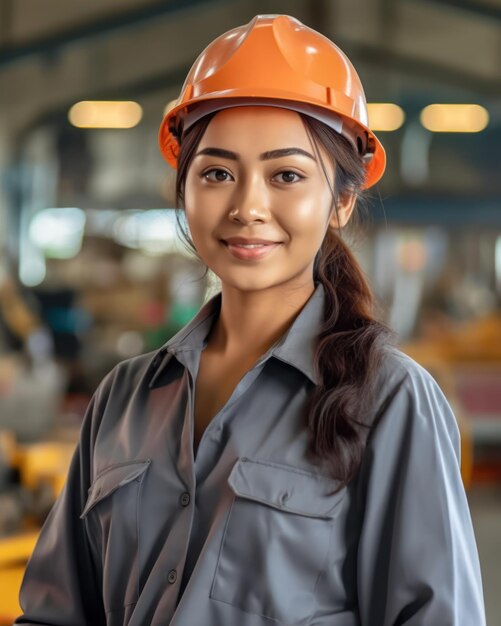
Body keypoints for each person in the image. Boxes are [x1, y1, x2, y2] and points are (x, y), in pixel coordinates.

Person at [15, 14, 485, 626]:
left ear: (341, 200)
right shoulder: (123, 400)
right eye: (216, 172)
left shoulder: (391, 401)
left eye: (286, 174)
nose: (247, 206)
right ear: (182, 187)